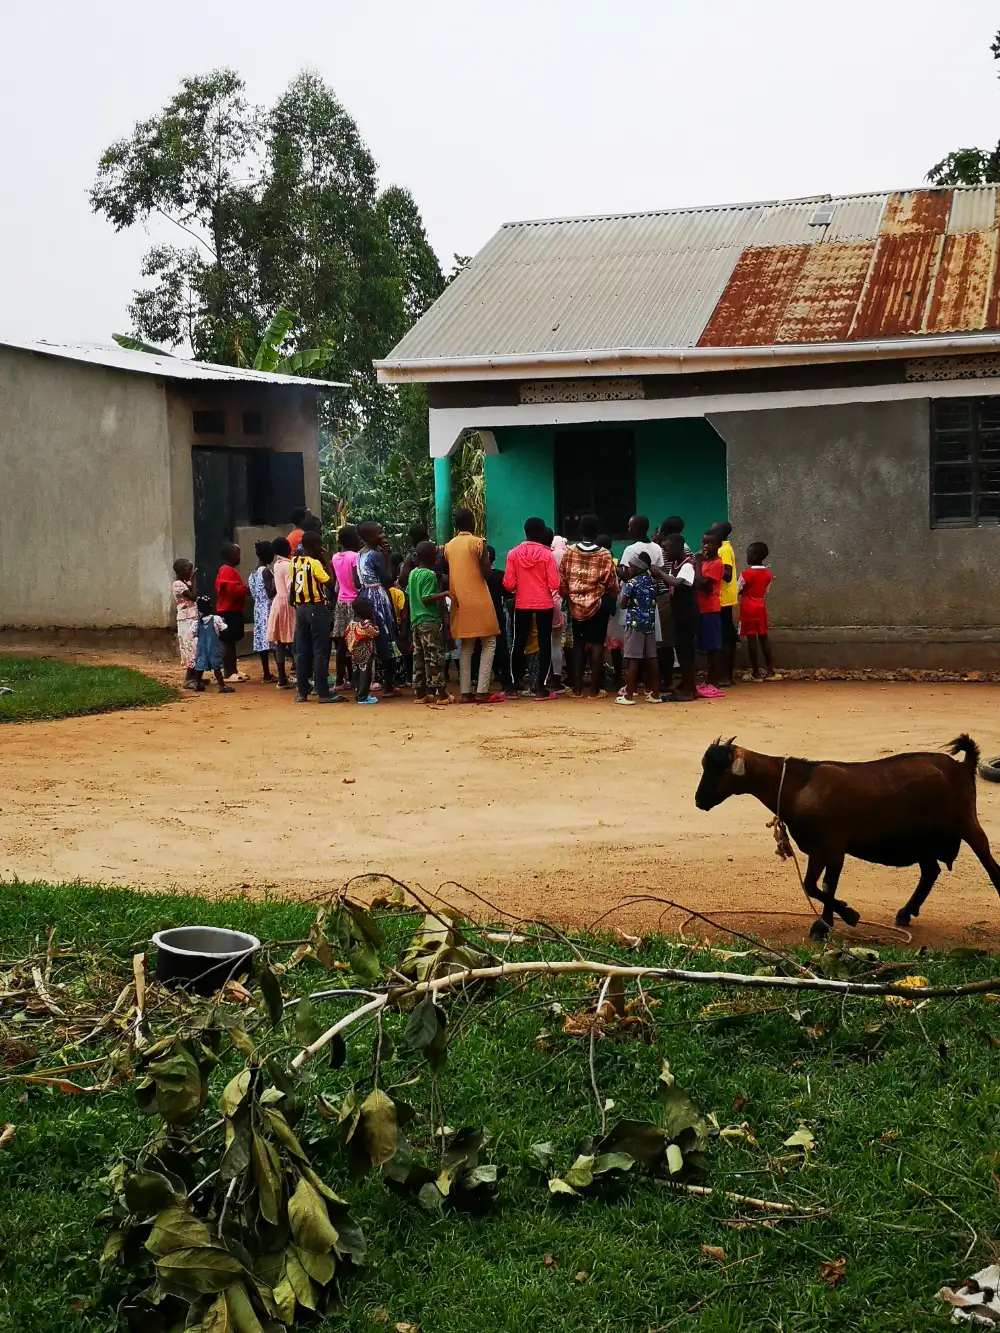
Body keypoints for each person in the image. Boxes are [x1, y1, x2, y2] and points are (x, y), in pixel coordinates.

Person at [560, 514, 619, 698]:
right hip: (598, 605)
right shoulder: (604, 554)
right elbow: (612, 584)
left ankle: (577, 689)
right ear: (597, 531)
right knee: (597, 644)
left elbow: (562, 579)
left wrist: (567, 596)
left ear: (580, 530)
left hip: (575, 605)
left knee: (578, 643)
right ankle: (594, 690)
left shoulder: (569, 552)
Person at [444, 507, 500, 703]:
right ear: (472, 523)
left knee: (466, 646)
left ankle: (466, 692)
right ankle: (482, 690)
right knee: (489, 642)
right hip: (479, 598)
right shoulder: (478, 542)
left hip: (460, 600)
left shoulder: (449, 546)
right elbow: (486, 571)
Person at [503, 517, 561, 700]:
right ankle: (540, 689)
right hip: (544, 603)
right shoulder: (547, 555)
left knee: (518, 643)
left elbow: (508, 583)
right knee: (545, 644)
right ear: (541, 532)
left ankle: (513, 686)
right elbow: (554, 583)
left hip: (522, 603)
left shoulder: (513, 554)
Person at [289, 530, 340, 704]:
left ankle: (302, 693)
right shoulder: (315, 564)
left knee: (302, 652)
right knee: (320, 651)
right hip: (316, 608)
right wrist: (327, 561)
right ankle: (323, 693)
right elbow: (331, 585)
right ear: (317, 546)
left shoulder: (294, 562)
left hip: (301, 609)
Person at [653, 532, 698, 702]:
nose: (664, 552)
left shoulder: (687, 565)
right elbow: (671, 584)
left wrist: (661, 574)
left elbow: (678, 583)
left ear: (678, 547)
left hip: (687, 614)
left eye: (667, 548)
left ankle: (688, 690)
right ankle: (688, 686)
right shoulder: (675, 565)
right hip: (678, 613)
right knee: (680, 649)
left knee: (686, 652)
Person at [356, 521, 400, 696]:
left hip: (365, 595)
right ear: (369, 537)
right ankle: (388, 686)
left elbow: (357, 581)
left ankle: (365, 686)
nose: (382, 535)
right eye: (379, 533)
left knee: (367, 640)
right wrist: (387, 556)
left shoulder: (360, 554)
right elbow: (388, 580)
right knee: (386, 640)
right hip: (378, 598)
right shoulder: (376, 555)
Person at [407, 539, 453, 704]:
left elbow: (411, 595)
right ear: (434, 558)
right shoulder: (430, 574)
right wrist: (445, 593)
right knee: (435, 657)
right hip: (429, 621)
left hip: (416, 621)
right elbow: (426, 598)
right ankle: (442, 695)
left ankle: (421, 693)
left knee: (418, 657)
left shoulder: (413, 573)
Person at [617, 552, 661, 705]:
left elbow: (623, 604)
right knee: (652, 657)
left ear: (638, 568)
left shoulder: (632, 583)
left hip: (635, 624)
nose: (628, 569)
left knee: (633, 658)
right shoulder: (653, 582)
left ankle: (629, 695)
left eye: (631, 567)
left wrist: (631, 603)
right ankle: (655, 694)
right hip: (649, 623)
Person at [695, 532, 726, 699]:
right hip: (701, 609)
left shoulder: (716, 564)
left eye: (710, 543)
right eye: (704, 542)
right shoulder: (705, 562)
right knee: (706, 648)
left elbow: (704, 584)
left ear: (718, 546)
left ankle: (714, 683)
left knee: (714, 648)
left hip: (710, 610)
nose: (706, 546)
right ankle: (708, 681)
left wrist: (697, 564)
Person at [739, 542, 775, 681]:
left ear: (753, 556)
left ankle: (756, 672)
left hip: (748, 607)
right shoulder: (768, 573)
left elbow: (737, 589)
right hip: (760, 606)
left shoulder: (746, 573)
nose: (747, 557)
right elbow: (766, 590)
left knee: (751, 638)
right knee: (763, 636)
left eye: (748, 554)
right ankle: (770, 671)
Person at [710, 520, 739, 687]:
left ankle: (726, 675)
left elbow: (727, 574)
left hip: (723, 598)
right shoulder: (722, 548)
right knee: (725, 635)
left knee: (726, 636)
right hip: (721, 597)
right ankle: (723, 674)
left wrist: (711, 565)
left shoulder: (724, 549)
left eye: (714, 530)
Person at [332, 524, 361, 691]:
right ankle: (356, 679)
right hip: (355, 602)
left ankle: (340, 679)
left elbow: (337, 584)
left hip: (341, 602)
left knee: (341, 643)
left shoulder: (335, 558)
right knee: (357, 641)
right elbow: (357, 582)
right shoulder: (355, 557)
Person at [215, 543, 248, 682]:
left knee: (232, 642)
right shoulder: (226, 570)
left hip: (234, 611)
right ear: (229, 555)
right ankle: (228, 672)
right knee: (228, 643)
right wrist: (246, 589)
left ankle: (233, 669)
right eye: (237, 553)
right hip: (228, 611)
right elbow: (231, 590)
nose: (239, 556)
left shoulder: (230, 570)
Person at [266, 537, 296, 689]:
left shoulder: (276, 565)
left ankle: (282, 678)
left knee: (280, 642)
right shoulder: (288, 565)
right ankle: (303, 675)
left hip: (278, 603)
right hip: (288, 604)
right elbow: (291, 587)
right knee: (293, 639)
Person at [485, 546, 513, 697]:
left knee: (478, 647)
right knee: (501, 648)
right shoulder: (500, 576)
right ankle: (506, 683)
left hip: (479, 616)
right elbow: (509, 594)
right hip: (497, 615)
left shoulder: (477, 576)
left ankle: (478, 681)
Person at [247, 540, 276, 682]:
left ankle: (266, 673)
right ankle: (280, 672)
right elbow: (270, 592)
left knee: (262, 641)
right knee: (275, 639)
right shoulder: (266, 572)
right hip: (268, 608)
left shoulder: (252, 573)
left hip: (258, 609)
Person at [599, 533, 624, 692]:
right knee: (615, 645)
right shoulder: (616, 562)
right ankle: (618, 676)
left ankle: (600, 676)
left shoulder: (596, 560)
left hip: (598, 605)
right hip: (613, 605)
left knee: (598, 643)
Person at [193, 596, 234, 693]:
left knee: (199, 666)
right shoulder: (217, 619)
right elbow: (225, 630)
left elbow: (193, 634)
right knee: (217, 667)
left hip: (201, 648)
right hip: (213, 648)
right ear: (211, 607)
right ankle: (221, 686)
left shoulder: (196, 623)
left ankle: (198, 684)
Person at [345, 596, 381, 704]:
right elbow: (375, 633)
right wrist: (376, 629)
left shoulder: (351, 623)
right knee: (366, 674)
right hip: (366, 653)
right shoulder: (365, 624)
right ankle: (363, 697)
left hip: (354, 653)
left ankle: (358, 694)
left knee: (357, 673)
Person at [171, 558, 199, 689]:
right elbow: (193, 597)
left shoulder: (184, 583)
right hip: (186, 620)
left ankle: (196, 677)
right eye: (189, 570)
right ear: (181, 571)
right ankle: (189, 679)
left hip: (192, 619)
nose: (191, 572)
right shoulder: (178, 584)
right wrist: (193, 581)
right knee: (190, 647)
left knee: (195, 647)